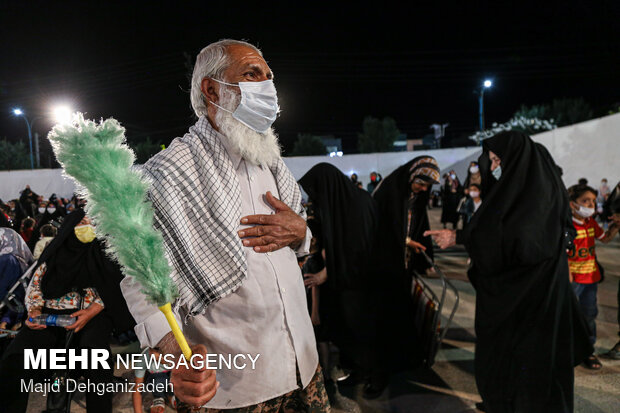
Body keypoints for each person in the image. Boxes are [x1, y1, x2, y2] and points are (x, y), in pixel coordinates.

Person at [120, 39, 328, 412]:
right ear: (211, 89)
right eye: (251, 74)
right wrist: (175, 359)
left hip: (305, 365)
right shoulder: (169, 174)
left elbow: (298, 237)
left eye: (269, 76)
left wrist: (302, 234)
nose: (267, 86)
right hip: (234, 388)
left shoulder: (270, 161)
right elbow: (141, 282)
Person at [426, 131, 592, 413]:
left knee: (530, 370)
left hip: (529, 304)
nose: (492, 168)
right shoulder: (534, 191)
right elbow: (500, 232)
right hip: (534, 300)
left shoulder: (534, 198)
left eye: (496, 160)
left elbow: (517, 242)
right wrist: (463, 238)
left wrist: (462, 239)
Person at [0, 210, 136, 413]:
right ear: (70, 225)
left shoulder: (104, 254)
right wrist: (35, 311)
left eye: (92, 222)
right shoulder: (54, 252)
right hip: (50, 315)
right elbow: (35, 284)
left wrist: (91, 311)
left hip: (90, 315)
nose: (87, 227)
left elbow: (113, 286)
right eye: (81, 222)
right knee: (15, 358)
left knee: (96, 358)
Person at [299, 163, 379, 399]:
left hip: (363, 283)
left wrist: (326, 272)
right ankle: (358, 371)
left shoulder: (358, 205)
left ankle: (374, 378)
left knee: (364, 331)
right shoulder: (338, 204)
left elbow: (358, 250)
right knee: (351, 330)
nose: (314, 198)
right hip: (347, 281)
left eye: (316, 191)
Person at [370, 156, 440, 394]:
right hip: (384, 266)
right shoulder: (389, 191)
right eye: (421, 183)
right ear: (412, 176)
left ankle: (400, 363)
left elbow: (422, 225)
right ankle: (378, 374)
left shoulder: (417, 197)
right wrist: (406, 241)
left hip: (404, 265)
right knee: (383, 319)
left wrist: (423, 254)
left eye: (427, 187)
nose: (423, 189)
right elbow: (379, 228)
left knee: (401, 312)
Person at [566, 184, 619, 370]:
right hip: (573, 281)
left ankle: (588, 351)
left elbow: (604, 238)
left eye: (593, 201)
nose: (591, 205)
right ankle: (566, 351)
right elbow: (561, 253)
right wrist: (568, 276)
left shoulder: (591, 223)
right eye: (585, 201)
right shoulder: (567, 226)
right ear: (572, 204)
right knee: (569, 316)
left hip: (590, 280)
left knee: (589, 315)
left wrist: (616, 226)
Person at [133, 347, 175, 413]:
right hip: (156, 380)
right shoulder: (144, 358)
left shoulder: (178, 353)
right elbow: (138, 388)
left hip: (173, 377)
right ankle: (158, 397)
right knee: (158, 379)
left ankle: (171, 395)